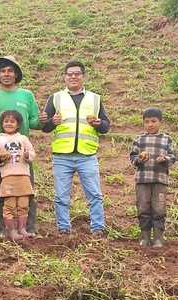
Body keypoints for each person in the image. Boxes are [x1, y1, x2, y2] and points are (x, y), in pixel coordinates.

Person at [41, 60, 111, 236]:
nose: (73, 76)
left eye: (77, 73)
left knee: (94, 194)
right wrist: (51, 122)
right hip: (62, 155)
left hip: (87, 154)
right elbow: (45, 127)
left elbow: (106, 126)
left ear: (83, 76)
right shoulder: (55, 98)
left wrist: (99, 123)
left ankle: (98, 228)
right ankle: (63, 229)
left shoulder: (95, 99)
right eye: (69, 74)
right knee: (61, 196)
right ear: (65, 77)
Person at [0, 56, 41, 236]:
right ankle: (4, 229)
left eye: (10, 71)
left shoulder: (27, 95)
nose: (6, 74)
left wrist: (45, 120)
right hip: (1, 154)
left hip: (22, 154)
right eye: (3, 71)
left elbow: (35, 122)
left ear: (16, 74)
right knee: (1, 192)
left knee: (27, 190)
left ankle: (27, 228)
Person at [129, 108, 177, 247]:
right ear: (143, 123)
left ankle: (158, 237)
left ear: (160, 122)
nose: (150, 124)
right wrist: (140, 159)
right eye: (147, 122)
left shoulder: (166, 139)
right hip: (142, 180)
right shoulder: (139, 139)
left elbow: (173, 156)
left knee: (159, 208)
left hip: (160, 180)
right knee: (143, 208)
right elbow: (132, 158)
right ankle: (144, 236)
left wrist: (165, 158)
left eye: (154, 121)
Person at [0, 111, 36, 241]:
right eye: (6, 121)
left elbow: (32, 153)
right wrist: (0, 158)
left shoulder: (23, 139)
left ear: (18, 125)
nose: (9, 123)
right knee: (9, 205)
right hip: (8, 177)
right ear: (2, 124)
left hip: (23, 176)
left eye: (12, 121)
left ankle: (22, 229)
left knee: (23, 204)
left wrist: (28, 156)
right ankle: (12, 231)